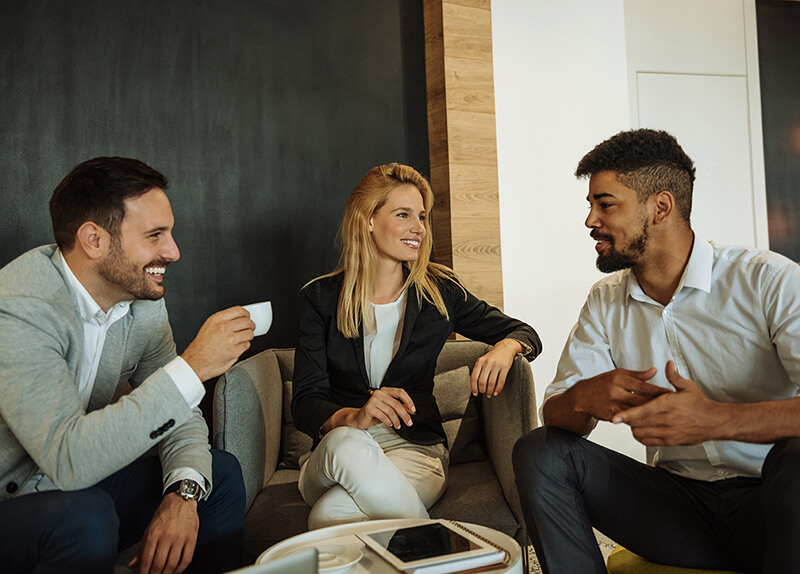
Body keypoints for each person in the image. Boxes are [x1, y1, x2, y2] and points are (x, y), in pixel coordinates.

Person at [512, 129, 800, 574]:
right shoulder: (605, 300)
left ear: (660, 207)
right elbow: (559, 417)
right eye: (590, 206)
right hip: (678, 510)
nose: (591, 220)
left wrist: (718, 419)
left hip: (774, 508)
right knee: (542, 451)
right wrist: (584, 397)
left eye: (605, 205)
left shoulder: (767, 280)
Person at [0, 157, 252, 574]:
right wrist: (192, 367)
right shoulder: (21, 308)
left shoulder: (141, 303)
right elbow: (68, 458)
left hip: (72, 482)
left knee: (217, 475)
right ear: (94, 240)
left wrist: (183, 494)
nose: (173, 251)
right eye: (155, 235)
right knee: (86, 516)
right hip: (14, 495)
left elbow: (182, 412)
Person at [291, 162, 541, 529]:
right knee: (347, 442)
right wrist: (357, 417)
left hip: (415, 451)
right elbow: (305, 401)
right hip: (334, 452)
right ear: (368, 220)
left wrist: (506, 348)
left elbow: (524, 332)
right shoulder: (322, 298)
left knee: (328, 517)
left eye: (422, 216)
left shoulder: (440, 292)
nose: (418, 228)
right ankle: (446, 556)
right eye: (403, 214)